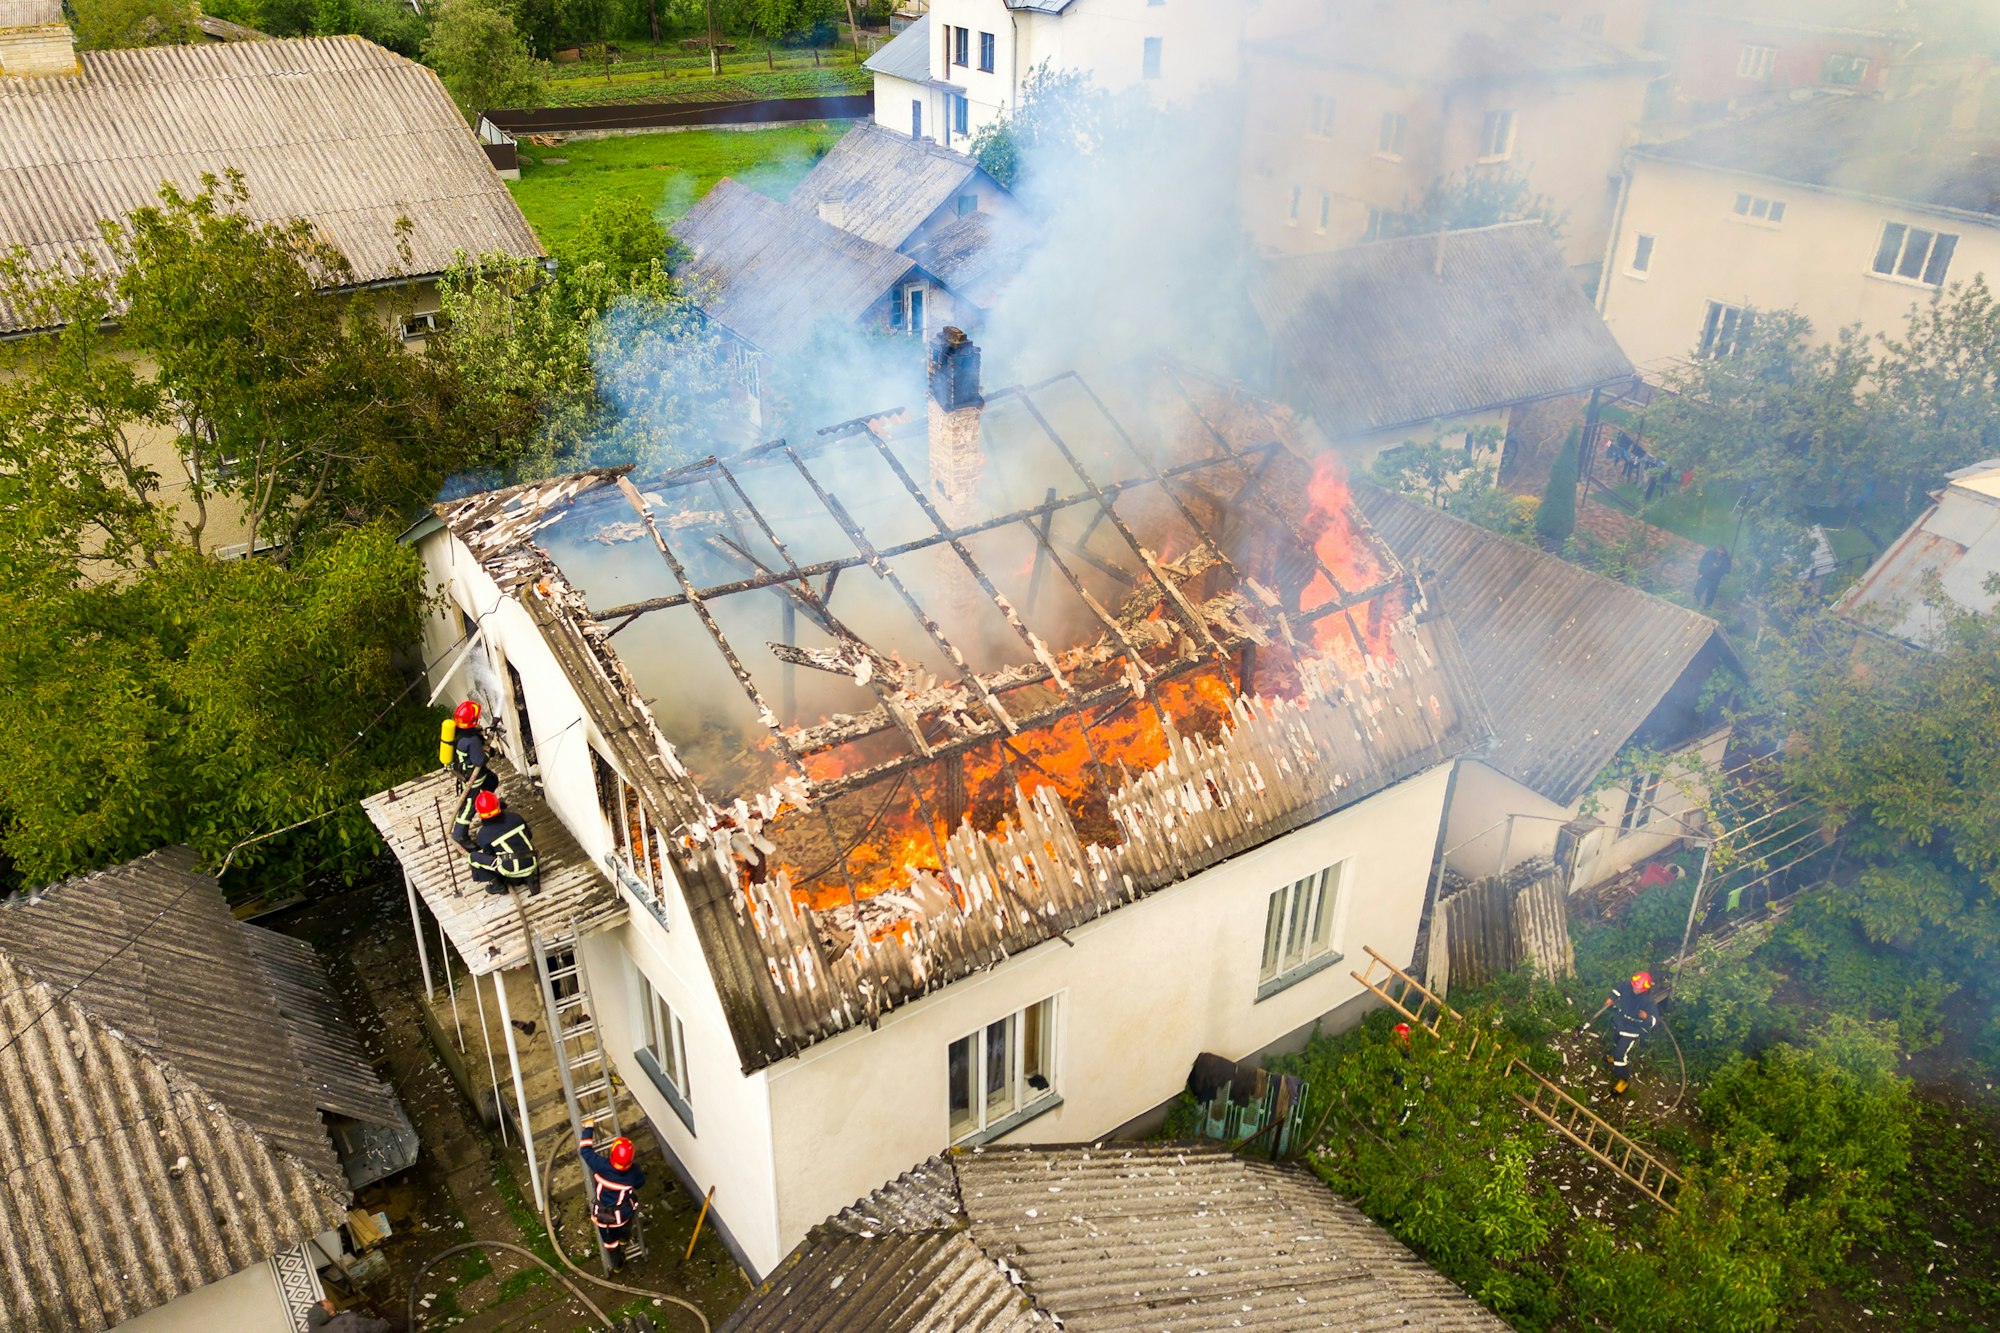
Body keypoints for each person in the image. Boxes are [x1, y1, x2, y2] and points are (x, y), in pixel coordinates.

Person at [1579, 971, 1660, 1094]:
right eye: (1634, 986)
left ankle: (1623, 1080)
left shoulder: (1648, 1002)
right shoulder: (1627, 986)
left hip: (1633, 1029)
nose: (1635, 990)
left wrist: (1646, 1017)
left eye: (1639, 989)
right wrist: (1612, 998)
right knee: (1615, 1040)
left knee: (1620, 1054)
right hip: (1621, 1021)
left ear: (1645, 989)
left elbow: (1655, 1021)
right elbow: (1618, 989)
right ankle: (1613, 1057)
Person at [579, 1122, 645, 1270]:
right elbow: (641, 1183)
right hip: (623, 1214)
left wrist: (589, 1128)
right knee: (628, 1217)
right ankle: (624, 1238)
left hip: (604, 1217)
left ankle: (618, 1265)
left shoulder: (601, 1165)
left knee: (610, 1244)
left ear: (612, 1153)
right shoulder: (633, 1173)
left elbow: (585, 1151)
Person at [447, 700, 499, 850]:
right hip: (473, 778)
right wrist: (489, 753)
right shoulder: (472, 740)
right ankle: (459, 835)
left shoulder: (459, 733)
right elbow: (480, 760)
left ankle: (489, 806)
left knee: (492, 781)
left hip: (468, 772)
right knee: (468, 807)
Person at [467, 790, 538, 894]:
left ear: (479, 812)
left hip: (511, 869)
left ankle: (497, 885)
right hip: (532, 860)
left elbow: (489, 854)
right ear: (498, 805)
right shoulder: (515, 817)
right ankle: (528, 877)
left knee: (472, 858)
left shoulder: (483, 833)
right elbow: (529, 836)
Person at [306, 1298, 392, 1333]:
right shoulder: (348, 1321)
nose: (325, 1299)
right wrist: (385, 1323)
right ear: (331, 1313)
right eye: (321, 1304)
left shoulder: (313, 1328)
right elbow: (377, 1327)